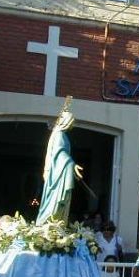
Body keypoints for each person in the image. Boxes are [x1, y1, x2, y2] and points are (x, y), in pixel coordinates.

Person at [36, 96, 84, 225]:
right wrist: (72, 164)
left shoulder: (61, 134)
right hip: (57, 175)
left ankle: (57, 222)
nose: (71, 125)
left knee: (60, 205)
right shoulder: (59, 134)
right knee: (55, 201)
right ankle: (51, 221)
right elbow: (59, 153)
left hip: (60, 171)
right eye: (70, 122)